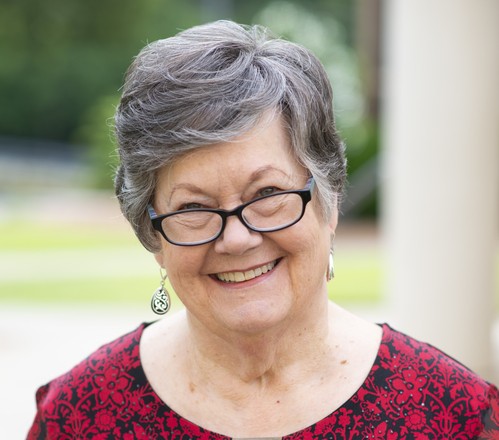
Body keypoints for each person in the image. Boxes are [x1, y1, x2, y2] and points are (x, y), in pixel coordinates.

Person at [27, 20, 499, 439]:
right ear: (153, 236)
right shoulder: (78, 417)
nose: (236, 239)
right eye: (193, 207)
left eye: (267, 193)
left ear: (329, 199)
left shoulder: (453, 415)